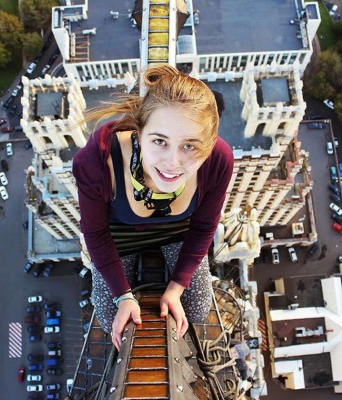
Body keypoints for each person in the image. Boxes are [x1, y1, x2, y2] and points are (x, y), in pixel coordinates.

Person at [73, 64, 234, 350]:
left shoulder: (219, 160)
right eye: (160, 141)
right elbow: (95, 233)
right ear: (139, 130)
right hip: (119, 236)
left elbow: (204, 227)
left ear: (209, 146)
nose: (172, 162)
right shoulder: (97, 161)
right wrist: (123, 295)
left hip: (178, 232)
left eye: (190, 146)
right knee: (108, 312)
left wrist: (176, 288)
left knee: (197, 308)